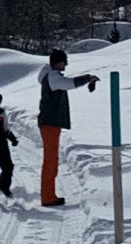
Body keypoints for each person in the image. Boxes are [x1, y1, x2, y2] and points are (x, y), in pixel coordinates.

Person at [35, 48, 99, 207]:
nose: (66, 65)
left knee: (51, 160)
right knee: (50, 161)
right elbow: (70, 84)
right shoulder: (53, 78)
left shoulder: (49, 76)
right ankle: (48, 197)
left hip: (50, 123)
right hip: (50, 123)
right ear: (57, 62)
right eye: (64, 61)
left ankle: (49, 195)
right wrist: (87, 78)